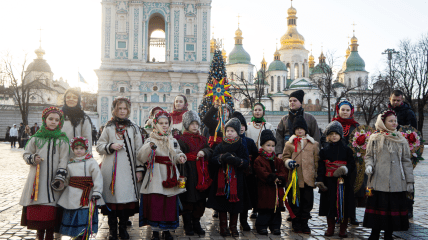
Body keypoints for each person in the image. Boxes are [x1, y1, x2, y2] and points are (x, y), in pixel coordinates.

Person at [96, 97, 143, 240]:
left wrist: (139, 169)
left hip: (128, 173)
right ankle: (112, 230)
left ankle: (123, 228)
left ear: (128, 110)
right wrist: (110, 146)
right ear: (115, 110)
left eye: (124, 109)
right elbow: (99, 146)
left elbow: (139, 149)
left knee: (125, 200)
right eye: (119, 108)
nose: (122, 111)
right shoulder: (109, 127)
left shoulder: (134, 127)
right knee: (112, 199)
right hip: (110, 171)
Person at [20, 107, 70, 240]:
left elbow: (64, 160)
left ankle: (49, 235)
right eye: (50, 119)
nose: (53, 122)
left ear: (60, 122)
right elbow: (26, 153)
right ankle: (39, 234)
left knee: (51, 210)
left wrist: (60, 177)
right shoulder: (36, 138)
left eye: (56, 120)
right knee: (39, 210)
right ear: (44, 120)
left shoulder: (62, 140)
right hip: (37, 181)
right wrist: (32, 158)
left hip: (54, 181)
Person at [363, 110, 414, 240]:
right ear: (383, 122)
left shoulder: (401, 139)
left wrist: (409, 181)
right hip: (378, 181)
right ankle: (374, 234)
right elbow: (368, 156)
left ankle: (388, 235)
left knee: (392, 210)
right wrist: (369, 165)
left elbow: (406, 161)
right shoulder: (375, 138)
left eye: (395, 121)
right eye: (390, 121)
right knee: (378, 208)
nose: (394, 123)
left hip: (397, 182)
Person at [137, 111, 187, 240]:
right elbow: (141, 157)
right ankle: (155, 231)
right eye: (161, 123)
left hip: (170, 174)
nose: (164, 125)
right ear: (155, 124)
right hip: (155, 174)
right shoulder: (150, 139)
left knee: (169, 203)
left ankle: (167, 230)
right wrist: (149, 147)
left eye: (166, 123)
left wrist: (180, 157)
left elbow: (177, 153)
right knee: (156, 202)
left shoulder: (172, 139)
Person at [206, 118, 250, 237]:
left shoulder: (241, 145)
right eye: (228, 130)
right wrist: (221, 158)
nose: (229, 133)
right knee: (222, 204)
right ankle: (223, 227)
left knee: (235, 205)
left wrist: (236, 160)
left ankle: (233, 227)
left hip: (237, 179)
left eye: (232, 131)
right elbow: (213, 160)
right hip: (222, 180)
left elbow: (246, 161)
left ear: (238, 132)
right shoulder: (220, 145)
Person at [323, 100, 362, 225]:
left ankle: (351, 215)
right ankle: (336, 213)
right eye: (342, 110)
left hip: (351, 163)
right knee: (335, 190)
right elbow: (325, 140)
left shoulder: (356, 126)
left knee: (351, 189)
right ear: (338, 110)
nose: (345, 112)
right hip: (335, 163)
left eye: (347, 110)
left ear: (351, 111)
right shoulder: (333, 124)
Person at [58, 137, 104, 239]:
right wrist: (61, 184)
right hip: (72, 195)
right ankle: (75, 235)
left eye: (81, 148)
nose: (79, 150)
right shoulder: (70, 163)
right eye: (76, 148)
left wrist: (97, 191)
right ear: (73, 149)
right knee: (74, 215)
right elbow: (67, 178)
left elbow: (97, 177)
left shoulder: (91, 162)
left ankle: (84, 235)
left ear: (86, 149)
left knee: (85, 216)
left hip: (87, 195)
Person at [175, 110, 212, 236]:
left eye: (197, 123)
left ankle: (196, 222)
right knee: (188, 199)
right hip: (187, 172)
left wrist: (204, 152)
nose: (195, 126)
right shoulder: (181, 139)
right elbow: (178, 153)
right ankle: (187, 224)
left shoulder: (202, 139)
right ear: (186, 125)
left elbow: (208, 149)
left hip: (200, 173)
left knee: (200, 200)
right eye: (192, 124)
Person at [316, 121, 356, 238]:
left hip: (344, 183)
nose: (334, 136)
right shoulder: (324, 151)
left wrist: (345, 169)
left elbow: (352, 165)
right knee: (329, 205)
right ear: (327, 136)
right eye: (331, 134)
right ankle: (330, 227)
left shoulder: (347, 150)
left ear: (341, 135)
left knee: (344, 205)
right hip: (329, 182)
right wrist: (320, 180)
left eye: (336, 134)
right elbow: (321, 167)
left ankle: (343, 229)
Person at [283, 115, 319, 234]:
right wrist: (288, 162)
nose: (299, 130)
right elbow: (285, 157)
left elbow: (316, 160)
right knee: (295, 201)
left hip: (308, 179)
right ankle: (296, 222)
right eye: (297, 128)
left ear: (306, 130)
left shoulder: (313, 144)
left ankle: (305, 223)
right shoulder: (289, 144)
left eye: (301, 128)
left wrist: (316, 175)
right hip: (295, 179)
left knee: (307, 202)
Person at [387, 89, 417, 218]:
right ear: (390, 99)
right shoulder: (386, 113)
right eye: (394, 100)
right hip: (389, 151)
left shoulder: (409, 113)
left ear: (402, 100)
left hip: (405, 151)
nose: (396, 102)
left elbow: (415, 133)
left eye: (398, 100)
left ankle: (408, 206)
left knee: (407, 179)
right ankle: (393, 206)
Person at [253, 129, 288, 235]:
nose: (271, 148)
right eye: (268, 145)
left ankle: (275, 226)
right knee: (264, 209)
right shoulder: (259, 160)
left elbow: (283, 171)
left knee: (276, 210)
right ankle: (261, 226)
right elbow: (261, 172)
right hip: (264, 189)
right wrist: (272, 177)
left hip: (276, 190)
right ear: (262, 146)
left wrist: (281, 178)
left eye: (273, 146)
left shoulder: (278, 160)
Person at [276, 90, 321, 158]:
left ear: (300, 102)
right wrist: (279, 152)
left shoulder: (310, 118)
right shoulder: (284, 119)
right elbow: (279, 136)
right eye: (290, 101)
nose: (292, 103)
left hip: (306, 154)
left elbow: (316, 136)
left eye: (295, 100)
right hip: (287, 154)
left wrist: (316, 152)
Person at [233, 111, 259, 230]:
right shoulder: (230, 142)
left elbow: (256, 157)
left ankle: (244, 221)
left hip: (247, 175)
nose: (241, 128)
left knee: (245, 199)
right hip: (234, 175)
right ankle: (232, 222)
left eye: (243, 125)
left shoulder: (249, 142)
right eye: (239, 125)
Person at [62, 88, 93, 154]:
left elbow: (87, 140)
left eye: (74, 97)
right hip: (60, 156)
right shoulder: (58, 116)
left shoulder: (84, 118)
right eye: (68, 97)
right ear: (65, 99)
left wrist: (88, 156)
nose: (71, 99)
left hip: (77, 157)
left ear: (78, 100)